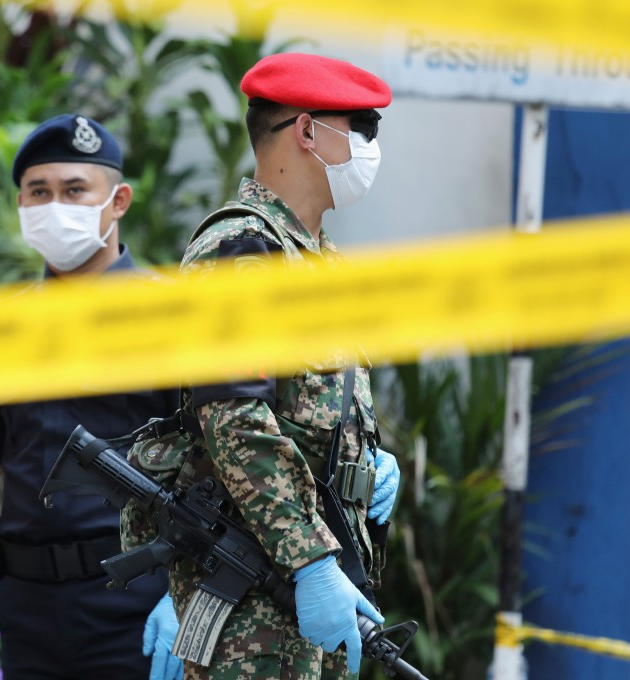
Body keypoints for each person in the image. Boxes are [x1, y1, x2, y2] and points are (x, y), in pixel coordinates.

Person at [0, 113, 184, 680]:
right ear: (21, 205)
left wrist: (190, 595)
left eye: (74, 190)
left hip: (139, 603)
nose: (55, 205)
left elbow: (227, 456)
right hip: (29, 614)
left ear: (119, 200)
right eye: (40, 192)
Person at [167, 53, 402, 679]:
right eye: (361, 128)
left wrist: (370, 463)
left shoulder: (319, 264)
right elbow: (234, 415)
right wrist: (311, 563)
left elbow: (319, 411)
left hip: (316, 591)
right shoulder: (241, 248)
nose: (369, 146)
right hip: (259, 602)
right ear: (306, 131)